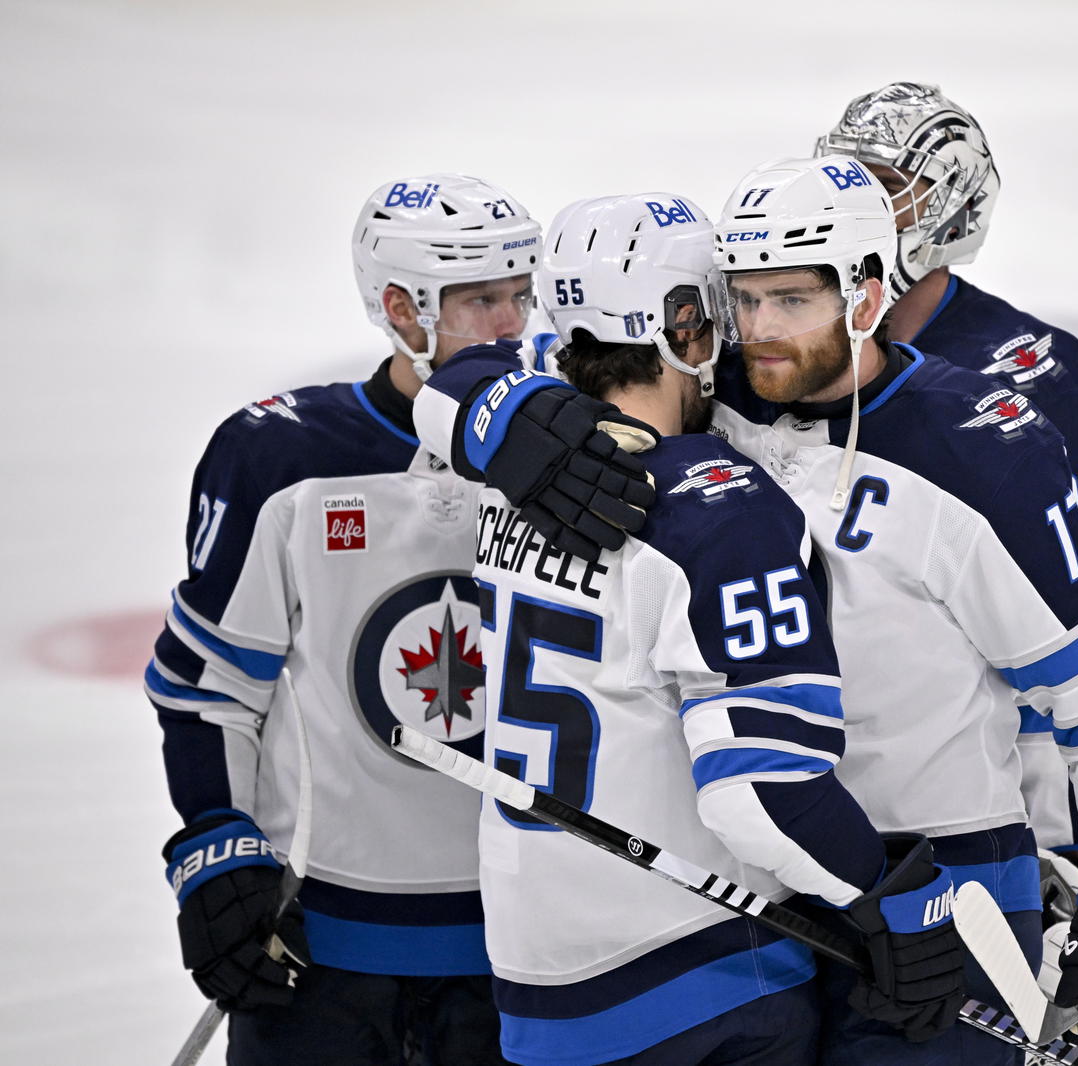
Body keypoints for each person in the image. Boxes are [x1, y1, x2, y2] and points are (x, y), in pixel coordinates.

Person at [416, 192, 966, 1065]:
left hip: (535, 977)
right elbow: (761, 791)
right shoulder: (720, 508)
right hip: (697, 981)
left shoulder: (513, 480)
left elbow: (455, 393)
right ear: (686, 329)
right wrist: (895, 899)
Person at [701, 155, 1078, 1060]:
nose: (758, 330)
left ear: (865, 294)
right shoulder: (710, 407)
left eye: (790, 301)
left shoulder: (984, 450)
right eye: (743, 300)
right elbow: (522, 366)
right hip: (764, 876)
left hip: (952, 887)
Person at [145, 172, 541, 1065]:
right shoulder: (284, 458)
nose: (512, 326)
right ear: (403, 308)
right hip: (321, 949)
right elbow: (209, 691)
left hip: (531, 945)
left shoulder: (577, 452)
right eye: (481, 300)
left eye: (521, 294)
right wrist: (215, 845)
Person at [815, 82, 1078, 875]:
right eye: (844, 183)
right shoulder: (783, 356)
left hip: (1004, 789)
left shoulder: (1037, 373)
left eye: (883, 190)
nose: (853, 214)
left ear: (950, 209)